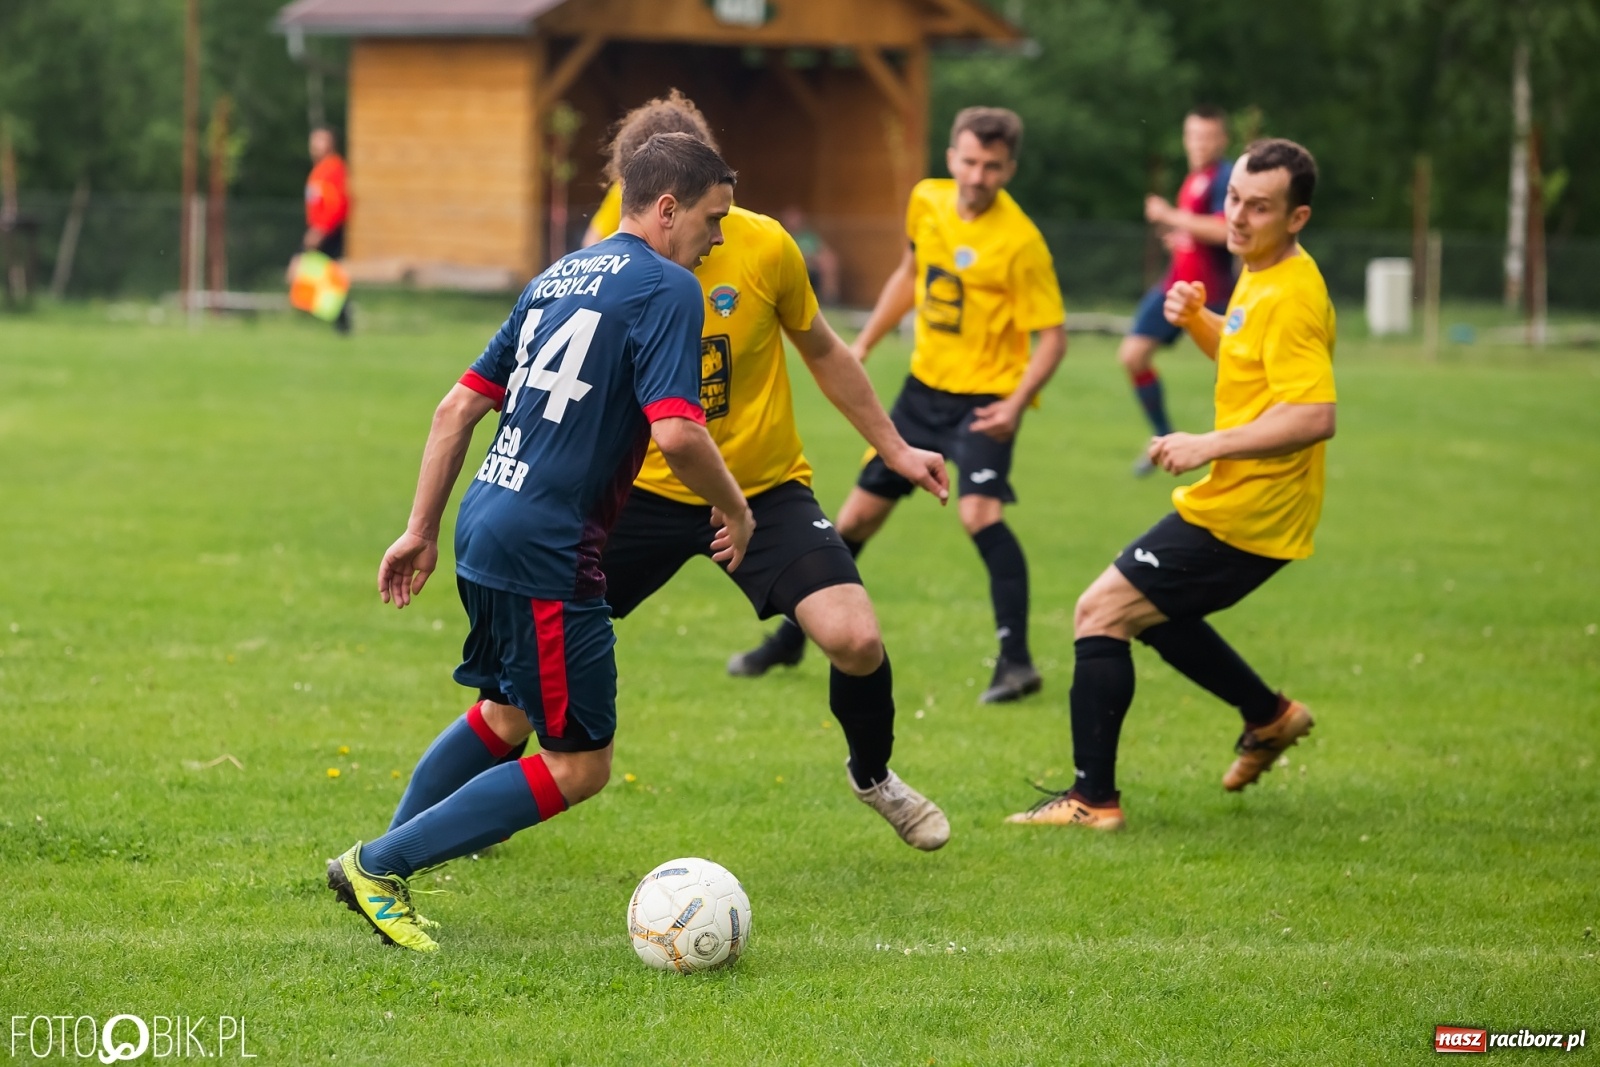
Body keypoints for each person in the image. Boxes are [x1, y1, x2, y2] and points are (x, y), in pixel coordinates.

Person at [327, 132, 754, 952]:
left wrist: (420, 529)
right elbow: (678, 433)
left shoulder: (559, 274)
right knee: (581, 761)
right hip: (551, 546)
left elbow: (457, 408)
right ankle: (382, 865)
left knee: (507, 711)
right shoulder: (669, 288)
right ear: (667, 209)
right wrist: (735, 509)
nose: (718, 238)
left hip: (486, 518)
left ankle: (379, 868)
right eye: (712, 218)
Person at [589, 93, 954, 850]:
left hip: (761, 485)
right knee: (540, 651)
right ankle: (470, 793)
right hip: (642, 490)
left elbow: (822, 348)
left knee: (855, 638)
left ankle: (874, 773)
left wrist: (893, 448)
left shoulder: (765, 246)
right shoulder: (610, 250)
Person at [1007, 138, 1336, 832]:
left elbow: (1314, 414)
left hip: (1250, 512)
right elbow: (1253, 362)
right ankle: (1270, 716)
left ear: (1297, 217)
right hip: (1244, 504)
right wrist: (1199, 323)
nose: (1239, 218)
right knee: (1150, 614)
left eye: (1261, 207)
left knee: (1100, 610)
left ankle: (1092, 801)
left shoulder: (1293, 293)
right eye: (1234, 200)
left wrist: (1206, 443)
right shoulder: (1261, 270)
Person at [737, 107, 1066, 706]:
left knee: (979, 516)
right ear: (951, 157)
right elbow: (911, 274)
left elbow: (1054, 337)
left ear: (1009, 169)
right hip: (922, 393)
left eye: (992, 166)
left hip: (986, 399)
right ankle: (791, 639)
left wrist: (1017, 403)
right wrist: (863, 341)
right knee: (857, 518)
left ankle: (1015, 660)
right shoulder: (927, 202)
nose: (978, 175)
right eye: (969, 161)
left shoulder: (1021, 243)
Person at [1120, 106, 1234, 475]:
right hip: (1175, 286)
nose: (1200, 143)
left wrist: (1169, 216)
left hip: (1213, 293)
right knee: (1133, 356)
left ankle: (1232, 452)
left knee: (1235, 379)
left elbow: (1223, 231)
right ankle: (1164, 436)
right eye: (1194, 136)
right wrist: (1181, 240)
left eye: (1208, 136)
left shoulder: (1225, 179)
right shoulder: (1193, 179)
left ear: (1223, 139)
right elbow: (1200, 232)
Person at [299, 126, 351, 333]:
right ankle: (332, 317)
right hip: (319, 228)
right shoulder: (319, 169)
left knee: (326, 274)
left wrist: (321, 228)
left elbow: (336, 203)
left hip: (329, 231)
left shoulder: (332, 169)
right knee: (320, 274)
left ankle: (341, 319)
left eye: (320, 140)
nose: (314, 145)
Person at [779, 205, 841, 305]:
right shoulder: (783, 236)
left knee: (829, 262)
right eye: (792, 219)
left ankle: (830, 299)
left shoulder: (808, 236)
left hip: (813, 265)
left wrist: (823, 259)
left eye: (796, 218)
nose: (794, 222)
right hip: (794, 267)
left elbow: (823, 250)